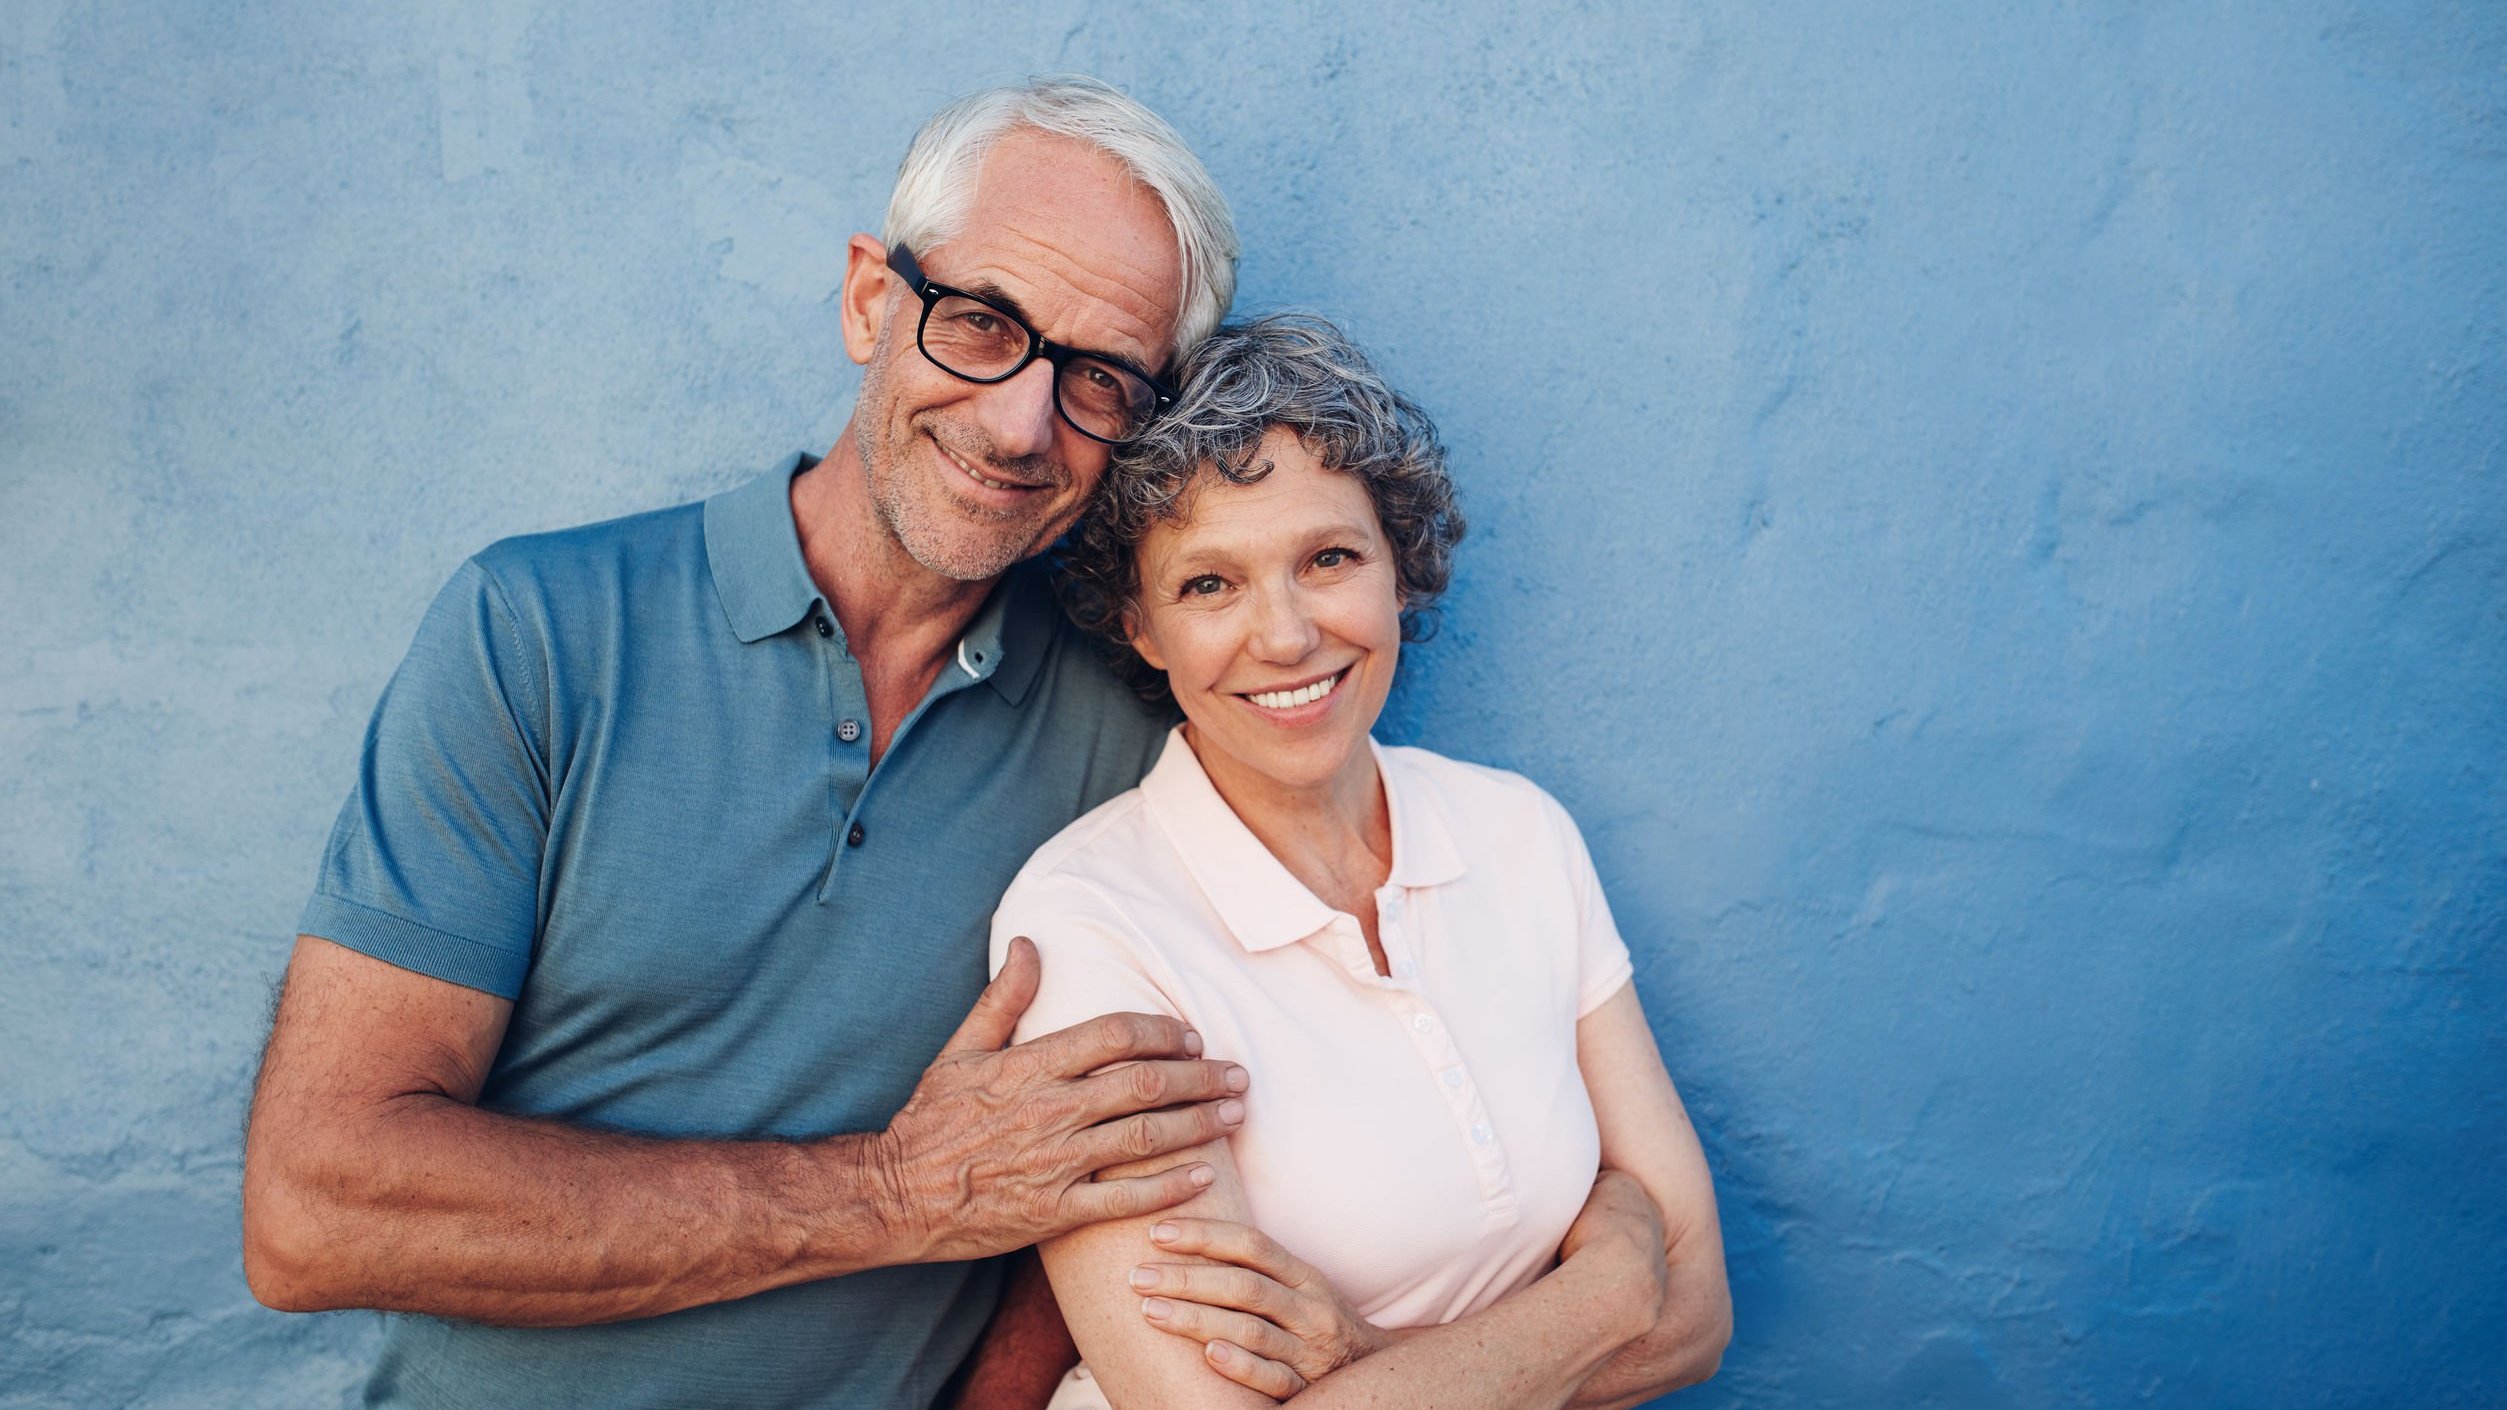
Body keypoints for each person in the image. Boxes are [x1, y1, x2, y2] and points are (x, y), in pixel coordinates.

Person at [241, 78, 1252, 1409]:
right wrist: (898, 1192)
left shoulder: (1139, 732)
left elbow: (1104, 1174)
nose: (1021, 423)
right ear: (870, 302)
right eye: (985, 324)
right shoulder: (540, 634)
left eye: (1099, 379)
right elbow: (315, 1209)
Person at [988, 315, 1733, 1407]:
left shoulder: (1518, 835)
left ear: (1399, 569)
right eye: (1210, 585)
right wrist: (1611, 1287)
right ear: (1140, 625)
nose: (1285, 635)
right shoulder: (1087, 925)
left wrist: (1366, 1364)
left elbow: (1700, 1319)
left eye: (1328, 558)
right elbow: (1654, 1303)